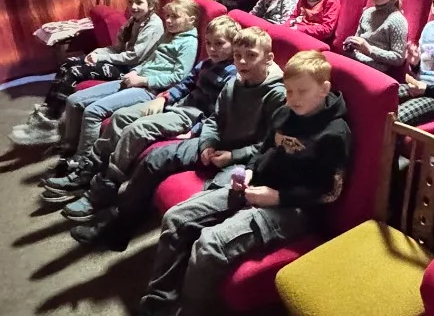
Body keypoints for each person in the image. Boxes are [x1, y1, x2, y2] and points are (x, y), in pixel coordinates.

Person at [89, 50, 352, 316]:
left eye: (302, 91)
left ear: (324, 89)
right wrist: (251, 171)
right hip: (258, 186)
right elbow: (266, 150)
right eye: (288, 90)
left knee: (210, 245)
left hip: (295, 209)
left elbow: (330, 191)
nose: (293, 98)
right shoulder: (285, 111)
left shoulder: (335, 132)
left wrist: (277, 197)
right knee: (177, 218)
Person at [68, 25, 287, 249]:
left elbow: (269, 146)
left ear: (268, 58)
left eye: (251, 56)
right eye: (238, 55)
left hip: (243, 160)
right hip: (217, 144)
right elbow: (214, 119)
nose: (242, 62)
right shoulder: (234, 83)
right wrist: (207, 143)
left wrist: (233, 156)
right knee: (155, 159)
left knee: (211, 193)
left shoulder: (277, 95)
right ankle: (119, 225)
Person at [59, 15, 240, 222]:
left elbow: (219, 113)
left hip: (191, 116)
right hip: (176, 106)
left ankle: (102, 190)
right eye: (208, 43)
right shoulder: (206, 64)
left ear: (234, 44)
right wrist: (164, 98)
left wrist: (195, 130)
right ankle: (89, 169)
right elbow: (185, 84)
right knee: (120, 117)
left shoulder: (232, 75)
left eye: (219, 43)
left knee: (136, 130)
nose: (212, 48)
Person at [41, 0, 200, 200]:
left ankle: (81, 164)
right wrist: (135, 71)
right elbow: (150, 60)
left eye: (175, 17)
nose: (168, 20)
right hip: (135, 79)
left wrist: (143, 80)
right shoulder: (169, 35)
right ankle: (69, 151)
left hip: (150, 89)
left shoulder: (189, 42)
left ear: (191, 19)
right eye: (167, 16)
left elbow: (179, 77)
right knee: (75, 100)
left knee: (93, 112)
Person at [9, 0, 163, 148]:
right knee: (68, 63)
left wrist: (102, 57)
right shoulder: (134, 21)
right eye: (131, 1)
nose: (133, 6)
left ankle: (50, 125)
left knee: (75, 72)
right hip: (119, 61)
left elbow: (134, 57)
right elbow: (117, 48)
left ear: (151, 5)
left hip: (131, 69)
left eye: (139, 2)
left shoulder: (154, 25)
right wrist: (96, 53)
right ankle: (47, 112)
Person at [343, 0, 407, 75]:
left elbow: (398, 58)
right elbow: (358, 38)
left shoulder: (396, 20)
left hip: (375, 70)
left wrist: (369, 50)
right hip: (355, 60)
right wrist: (351, 44)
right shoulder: (367, 12)